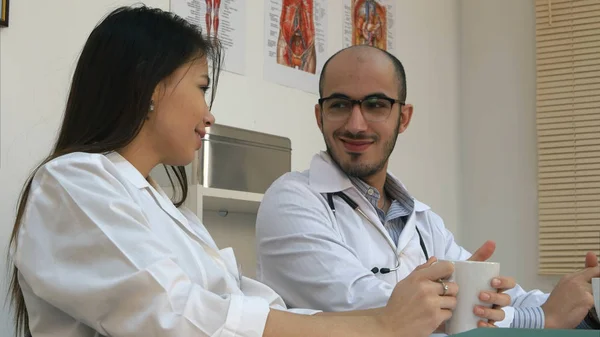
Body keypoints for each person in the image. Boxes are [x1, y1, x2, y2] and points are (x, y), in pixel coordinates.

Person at [5, 5, 473, 337]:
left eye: (376, 105)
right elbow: (181, 320)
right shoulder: (72, 184)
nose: (209, 114)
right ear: (149, 87)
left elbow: (252, 308)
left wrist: (384, 323)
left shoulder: (174, 216)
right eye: (202, 86)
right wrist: (382, 324)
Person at [255, 45, 600, 334]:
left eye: (375, 105)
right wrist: (544, 318)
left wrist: (586, 300)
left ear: (403, 118)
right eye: (340, 105)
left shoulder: (422, 221)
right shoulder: (292, 201)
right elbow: (381, 311)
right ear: (320, 116)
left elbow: (496, 299)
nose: (355, 124)